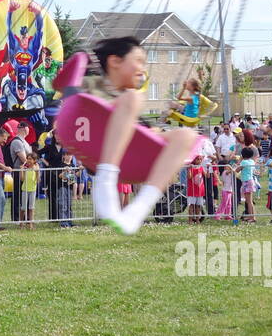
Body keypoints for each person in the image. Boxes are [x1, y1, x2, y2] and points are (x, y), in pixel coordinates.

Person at [82, 37, 199, 234]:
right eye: (138, 61)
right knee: (133, 97)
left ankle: (139, 209)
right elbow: (72, 94)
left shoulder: (130, 100)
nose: (143, 69)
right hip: (100, 149)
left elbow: (145, 128)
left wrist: (154, 132)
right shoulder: (94, 84)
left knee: (187, 135)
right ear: (115, 62)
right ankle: (106, 180)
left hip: (133, 158)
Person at [7, 127, 30, 224]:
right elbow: (24, 158)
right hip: (18, 171)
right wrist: (32, 164)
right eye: (28, 128)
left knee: (24, 194)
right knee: (17, 194)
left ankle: (24, 216)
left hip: (25, 171)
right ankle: (16, 217)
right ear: (24, 129)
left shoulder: (24, 141)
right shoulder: (17, 142)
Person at [237, 146, 258, 223]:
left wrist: (239, 161)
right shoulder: (252, 161)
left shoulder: (244, 162)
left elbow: (237, 169)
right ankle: (251, 216)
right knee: (249, 201)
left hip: (246, 182)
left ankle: (252, 217)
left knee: (249, 201)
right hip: (250, 181)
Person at [185, 155, 206, 224]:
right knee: (191, 205)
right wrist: (189, 169)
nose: (199, 161)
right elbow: (189, 177)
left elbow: (206, 175)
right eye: (198, 159)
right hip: (192, 190)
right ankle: (190, 220)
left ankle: (197, 220)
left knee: (198, 206)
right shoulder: (191, 167)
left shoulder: (201, 168)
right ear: (194, 160)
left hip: (200, 190)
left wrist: (209, 168)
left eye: (200, 159)